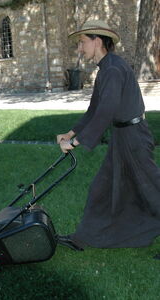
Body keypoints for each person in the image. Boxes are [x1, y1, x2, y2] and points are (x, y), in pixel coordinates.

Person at [56, 20, 160, 251]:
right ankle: (83, 238)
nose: (80, 48)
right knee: (102, 190)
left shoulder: (112, 69)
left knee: (152, 189)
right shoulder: (106, 68)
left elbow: (106, 112)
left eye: (82, 42)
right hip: (122, 137)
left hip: (134, 139)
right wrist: (70, 132)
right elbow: (94, 109)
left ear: (98, 41)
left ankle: (87, 237)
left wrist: (76, 142)